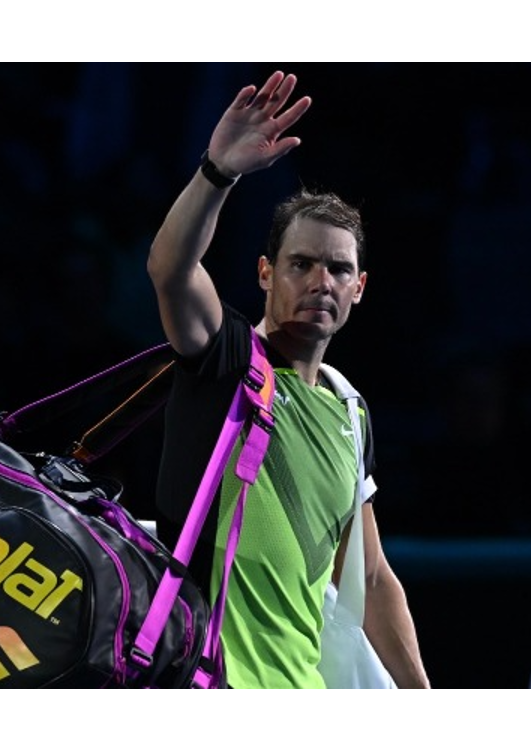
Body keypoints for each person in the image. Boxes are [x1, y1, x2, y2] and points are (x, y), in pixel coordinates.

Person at [147, 70, 431, 689]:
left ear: (359, 288)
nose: (320, 282)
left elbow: (372, 577)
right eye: (300, 264)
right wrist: (217, 173)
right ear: (265, 274)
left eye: (337, 268)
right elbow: (171, 269)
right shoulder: (224, 362)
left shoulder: (349, 411)